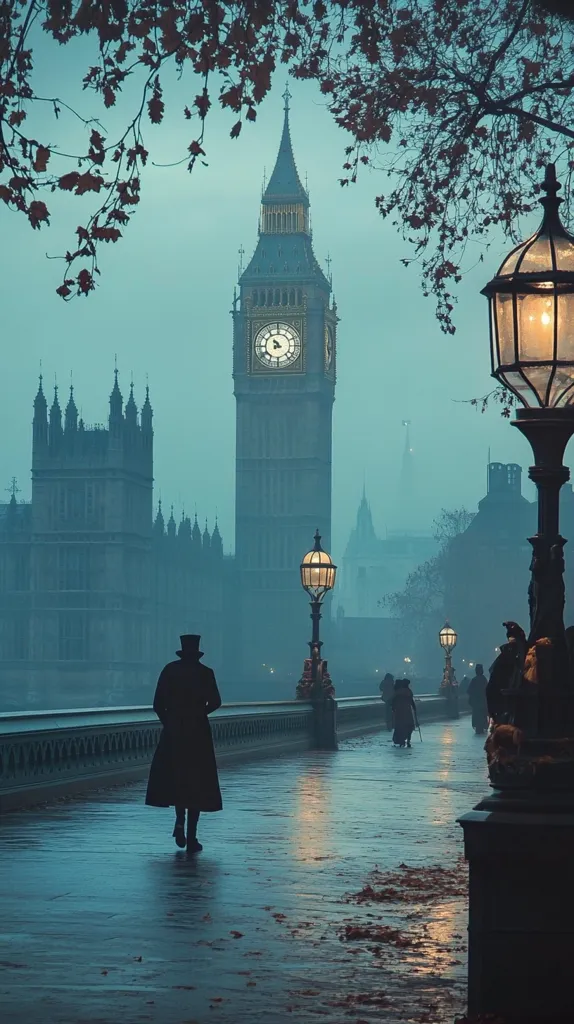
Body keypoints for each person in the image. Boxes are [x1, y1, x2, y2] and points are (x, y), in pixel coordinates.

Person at [145, 634, 223, 853]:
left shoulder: (169, 670)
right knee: (197, 782)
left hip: (174, 732)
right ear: (197, 653)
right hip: (198, 732)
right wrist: (199, 713)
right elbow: (216, 702)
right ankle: (192, 837)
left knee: (176, 778)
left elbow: (157, 704)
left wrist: (170, 721)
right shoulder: (206, 673)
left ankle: (179, 821)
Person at [392, 678, 416, 748]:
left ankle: (401, 739)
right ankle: (408, 739)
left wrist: (393, 708)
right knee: (409, 726)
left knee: (400, 726)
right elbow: (412, 701)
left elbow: (393, 701)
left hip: (399, 712)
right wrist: (414, 709)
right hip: (407, 711)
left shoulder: (398, 692)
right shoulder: (409, 692)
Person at [467, 663, 488, 734]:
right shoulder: (484, 679)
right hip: (483, 703)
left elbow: (469, 691)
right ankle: (483, 727)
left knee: (477, 717)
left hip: (476, 703)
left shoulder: (474, 680)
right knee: (483, 716)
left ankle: (478, 728)